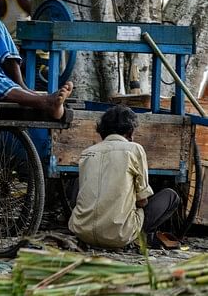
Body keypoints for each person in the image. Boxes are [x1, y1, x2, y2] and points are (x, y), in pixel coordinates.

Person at [68, 105, 181, 249]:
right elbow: (142, 201)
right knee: (171, 196)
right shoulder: (134, 149)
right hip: (119, 235)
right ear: (130, 132)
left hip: (82, 231)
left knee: (79, 182)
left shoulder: (87, 152)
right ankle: (141, 238)